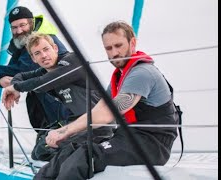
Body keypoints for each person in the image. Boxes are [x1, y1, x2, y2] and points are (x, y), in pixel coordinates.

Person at [34, 21, 180, 179]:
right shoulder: (120, 77)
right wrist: (66, 133)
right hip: (127, 137)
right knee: (70, 150)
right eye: (108, 48)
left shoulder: (142, 73)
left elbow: (107, 114)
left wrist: (64, 131)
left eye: (119, 45)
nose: (114, 53)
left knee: (83, 157)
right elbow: (98, 110)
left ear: (132, 43)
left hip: (151, 146)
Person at [2, 32, 113, 161]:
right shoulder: (45, 70)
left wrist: (15, 88)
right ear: (33, 58)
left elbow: (45, 82)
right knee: (40, 151)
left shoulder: (73, 60)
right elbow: (21, 77)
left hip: (100, 124)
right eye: (37, 53)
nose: (44, 55)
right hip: (76, 122)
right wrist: (15, 88)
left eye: (46, 49)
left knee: (51, 149)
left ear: (55, 48)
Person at [0, 6, 70, 129]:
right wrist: (0, 81)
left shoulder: (41, 39)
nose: (19, 31)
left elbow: (24, 69)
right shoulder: (23, 42)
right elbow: (13, 69)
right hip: (45, 99)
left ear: (31, 23)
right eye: (14, 27)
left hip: (61, 98)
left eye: (22, 25)